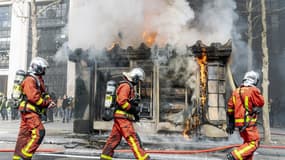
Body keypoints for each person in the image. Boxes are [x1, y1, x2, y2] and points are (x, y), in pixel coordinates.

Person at [100, 67, 150, 160]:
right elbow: (122, 102)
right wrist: (133, 109)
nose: (137, 83)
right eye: (138, 80)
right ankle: (143, 158)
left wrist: (134, 111)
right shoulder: (126, 86)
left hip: (120, 117)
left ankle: (105, 157)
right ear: (134, 78)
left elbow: (126, 101)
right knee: (132, 138)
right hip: (123, 117)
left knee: (114, 139)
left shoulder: (128, 86)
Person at [13, 57, 56, 160]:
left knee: (24, 136)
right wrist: (46, 104)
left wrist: (49, 100)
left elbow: (43, 93)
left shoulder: (38, 79)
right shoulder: (29, 79)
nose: (44, 70)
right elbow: (34, 98)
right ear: (37, 68)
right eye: (43, 68)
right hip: (29, 111)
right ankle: (25, 157)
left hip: (29, 111)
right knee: (39, 132)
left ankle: (17, 158)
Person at [226, 71, 265, 160]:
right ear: (254, 80)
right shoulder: (253, 90)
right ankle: (233, 156)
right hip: (248, 123)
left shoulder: (236, 91)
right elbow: (261, 102)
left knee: (247, 144)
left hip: (240, 125)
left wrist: (231, 123)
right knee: (254, 143)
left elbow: (230, 107)